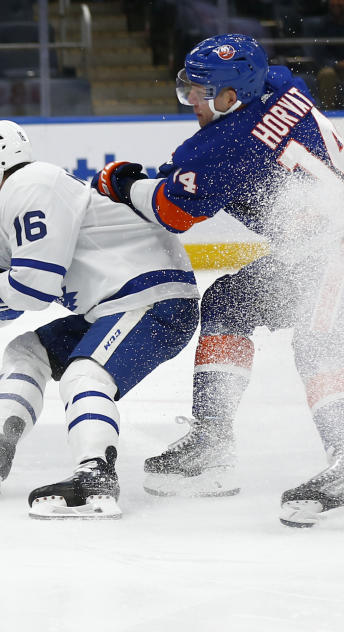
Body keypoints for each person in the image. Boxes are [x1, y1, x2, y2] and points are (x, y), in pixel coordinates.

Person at [90, 34, 344, 527]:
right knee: (230, 302)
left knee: (318, 342)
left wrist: (122, 182)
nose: (192, 102)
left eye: (200, 93)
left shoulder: (227, 143)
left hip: (334, 251)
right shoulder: (279, 82)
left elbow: (171, 212)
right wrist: (177, 174)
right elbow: (219, 165)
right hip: (313, 249)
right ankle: (211, 440)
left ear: (232, 97)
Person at [0, 119, 199, 519]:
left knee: (85, 373)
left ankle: (95, 475)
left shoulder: (33, 185)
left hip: (151, 300)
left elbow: (32, 288)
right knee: (27, 352)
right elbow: (5, 297)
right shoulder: (16, 205)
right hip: (115, 306)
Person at [313, 0, 344, 110]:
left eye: (339, 4)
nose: (336, 7)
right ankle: (329, 112)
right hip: (333, 68)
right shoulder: (322, 26)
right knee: (327, 74)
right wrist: (336, 64)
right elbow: (319, 54)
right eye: (333, 4)